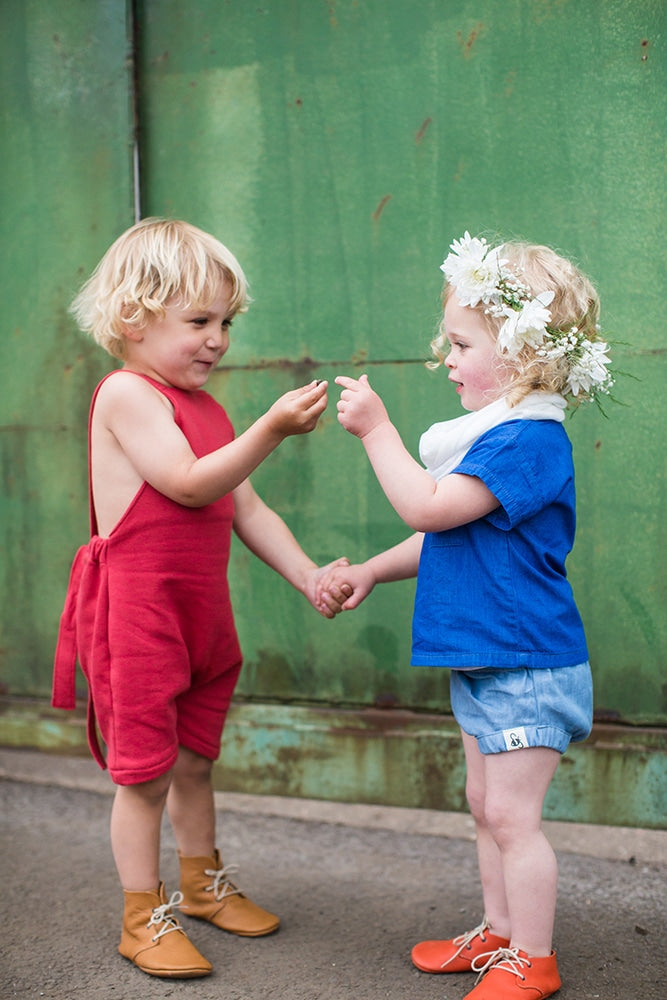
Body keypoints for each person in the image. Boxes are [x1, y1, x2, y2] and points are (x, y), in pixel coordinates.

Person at [52, 218, 350, 980]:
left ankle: (201, 885)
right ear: (131, 318)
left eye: (225, 322)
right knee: (144, 773)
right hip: (140, 616)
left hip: (200, 618)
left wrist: (309, 573)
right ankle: (140, 915)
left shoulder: (208, 410)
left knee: (194, 760)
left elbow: (246, 509)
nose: (217, 339)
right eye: (197, 322)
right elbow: (187, 483)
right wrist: (272, 429)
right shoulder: (126, 394)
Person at [318, 233, 614, 999]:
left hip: (525, 662)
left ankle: (533, 959)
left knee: (513, 819)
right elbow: (443, 535)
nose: (444, 359)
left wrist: (377, 431)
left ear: (520, 353)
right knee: (484, 806)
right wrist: (375, 572)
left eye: (458, 343)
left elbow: (427, 504)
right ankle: (499, 932)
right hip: (487, 658)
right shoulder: (493, 438)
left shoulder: (527, 442)